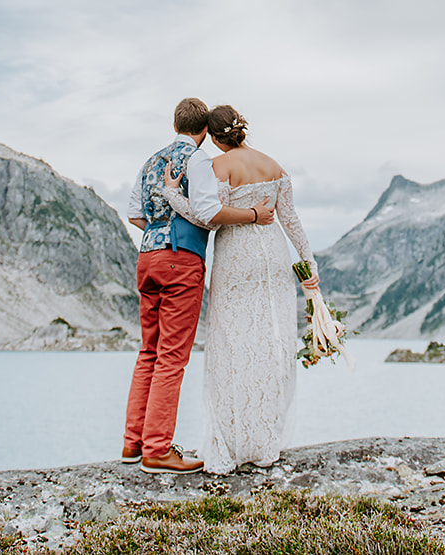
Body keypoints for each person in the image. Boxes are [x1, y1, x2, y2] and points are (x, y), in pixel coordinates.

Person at [164, 103, 318, 474]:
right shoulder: (274, 165)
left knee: (232, 346)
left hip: (236, 257)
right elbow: (291, 220)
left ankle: (230, 445)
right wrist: (309, 265)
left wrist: (172, 195)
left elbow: (209, 216)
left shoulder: (218, 166)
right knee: (269, 344)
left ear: (215, 137)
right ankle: (265, 443)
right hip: (275, 258)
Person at [122, 98, 273, 474]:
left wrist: (160, 231)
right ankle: (158, 450)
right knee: (172, 357)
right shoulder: (197, 161)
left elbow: (134, 214)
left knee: (148, 352)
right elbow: (208, 212)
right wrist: (254, 215)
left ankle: (134, 444)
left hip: (147, 258)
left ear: (175, 124)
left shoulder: (150, 161)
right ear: (204, 131)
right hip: (180, 260)